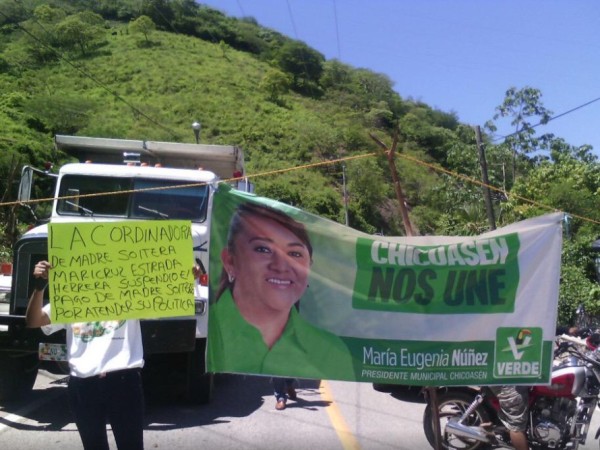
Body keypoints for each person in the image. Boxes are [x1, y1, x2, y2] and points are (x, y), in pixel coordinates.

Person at [207, 201, 354, 387]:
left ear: (310, 268)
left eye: (294, 253)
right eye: (263, 249)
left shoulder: (330, 348)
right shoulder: (207, 331)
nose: (281, 265)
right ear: (230, 260)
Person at [25, 260, 145, 450]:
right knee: (93, 445)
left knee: (131, 445)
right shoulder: (71, 297)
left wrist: (185, 279)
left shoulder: (129, 294)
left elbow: (165, 299)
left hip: (123, 381)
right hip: (83, 385)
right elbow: (33, 321)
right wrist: (39, 287)